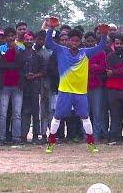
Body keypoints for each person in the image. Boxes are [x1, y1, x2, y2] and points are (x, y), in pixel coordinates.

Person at [43, 18, 109, 153]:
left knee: (85, 117)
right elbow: (48, 43)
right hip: (65, 91)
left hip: (80, 92)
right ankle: (51, 143)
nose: (74, 43)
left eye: (76, 41)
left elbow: (101, 47)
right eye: (71, 40)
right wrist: (51, 28)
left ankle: (91, 143)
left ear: (80, 42)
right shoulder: (61, 50)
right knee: (57, 117)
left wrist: (103, 34)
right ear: (68, 41)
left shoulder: (85, 52)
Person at [0, 27, 24, 144]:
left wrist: (13, 57)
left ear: (15, 37)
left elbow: (21, 64)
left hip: (17, 85)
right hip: (4, 85)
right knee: (2, 113)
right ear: (5, 37)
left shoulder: (20, 49)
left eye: (12, 36)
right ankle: (1, 137)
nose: (10, 38)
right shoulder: (0, 49)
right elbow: (0, 65)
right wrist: (13, 64)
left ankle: (16, 137)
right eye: (8, 36)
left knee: (17, 113)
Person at [21, 31, 45, 144]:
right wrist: (25, 76)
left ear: (33, 41)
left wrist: (34, 76)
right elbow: (18, 69)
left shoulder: (38, 56)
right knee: (24, 112)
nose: (29, 41)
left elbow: (43, 71)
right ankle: (23, 136)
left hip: (35, 87)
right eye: (27, 39)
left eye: (31, 39)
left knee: (36, 112)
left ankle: (36, 136)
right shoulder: (20, 55)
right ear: (23, 41)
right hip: (23, 87)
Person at [84, 31, 108, 143]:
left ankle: (97, 137)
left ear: (95, 41)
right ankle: (86, 136)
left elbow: (103, 68)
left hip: (97, 85)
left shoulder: (101, 52)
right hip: (83, 86)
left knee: (97, 112)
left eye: (92, 41)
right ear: (85, 41)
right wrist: (93, 66)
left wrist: (90, 67)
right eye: (88, 41)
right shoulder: (82, 53)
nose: (90, 43)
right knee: (85, 113)